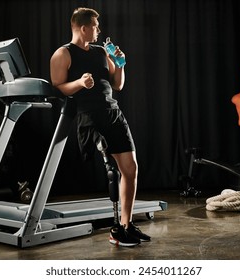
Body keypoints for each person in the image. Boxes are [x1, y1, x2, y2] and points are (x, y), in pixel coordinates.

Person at [50, 7, 150, 247]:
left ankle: (126, 226)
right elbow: (58, 85)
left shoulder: (101, 52)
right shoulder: (63, 54)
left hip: (113, 113)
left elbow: (118, 85)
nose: (99, 30)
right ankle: (116, 229)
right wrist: (80, 83)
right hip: (89, 116)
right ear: (84, 28)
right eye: (96, 26)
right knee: (112, 168)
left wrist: (120, 63)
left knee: (131, 168)